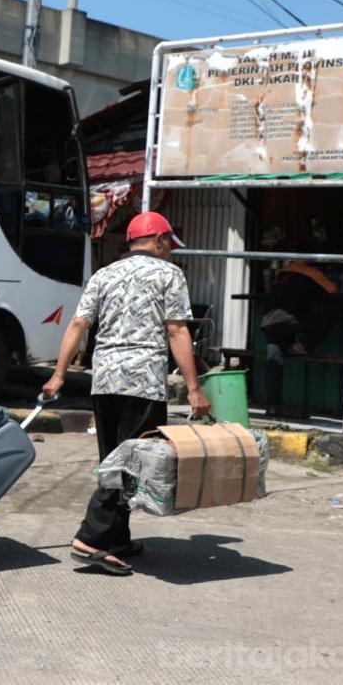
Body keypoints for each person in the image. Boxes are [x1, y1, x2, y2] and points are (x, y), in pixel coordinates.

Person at [42, 211, 211, 576]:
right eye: (168, 244)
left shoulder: (104, 274)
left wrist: (58, 375)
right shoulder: (169, 275)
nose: (169, 251)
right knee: (131, 463)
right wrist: (194, 388)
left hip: (104, 382)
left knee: (114, 459)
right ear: (160, 240)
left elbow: (78, 325)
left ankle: (117, 536)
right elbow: (177, 332)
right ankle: (91, 539)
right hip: (143, 383)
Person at [259, 260, 336, 418]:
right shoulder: (310, 272)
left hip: (270, 322)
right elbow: (333, 290)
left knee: (274, 362)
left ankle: (273, 405)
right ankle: (303, 345)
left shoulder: (283, 272)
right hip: (290, 321)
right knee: (330, 316)